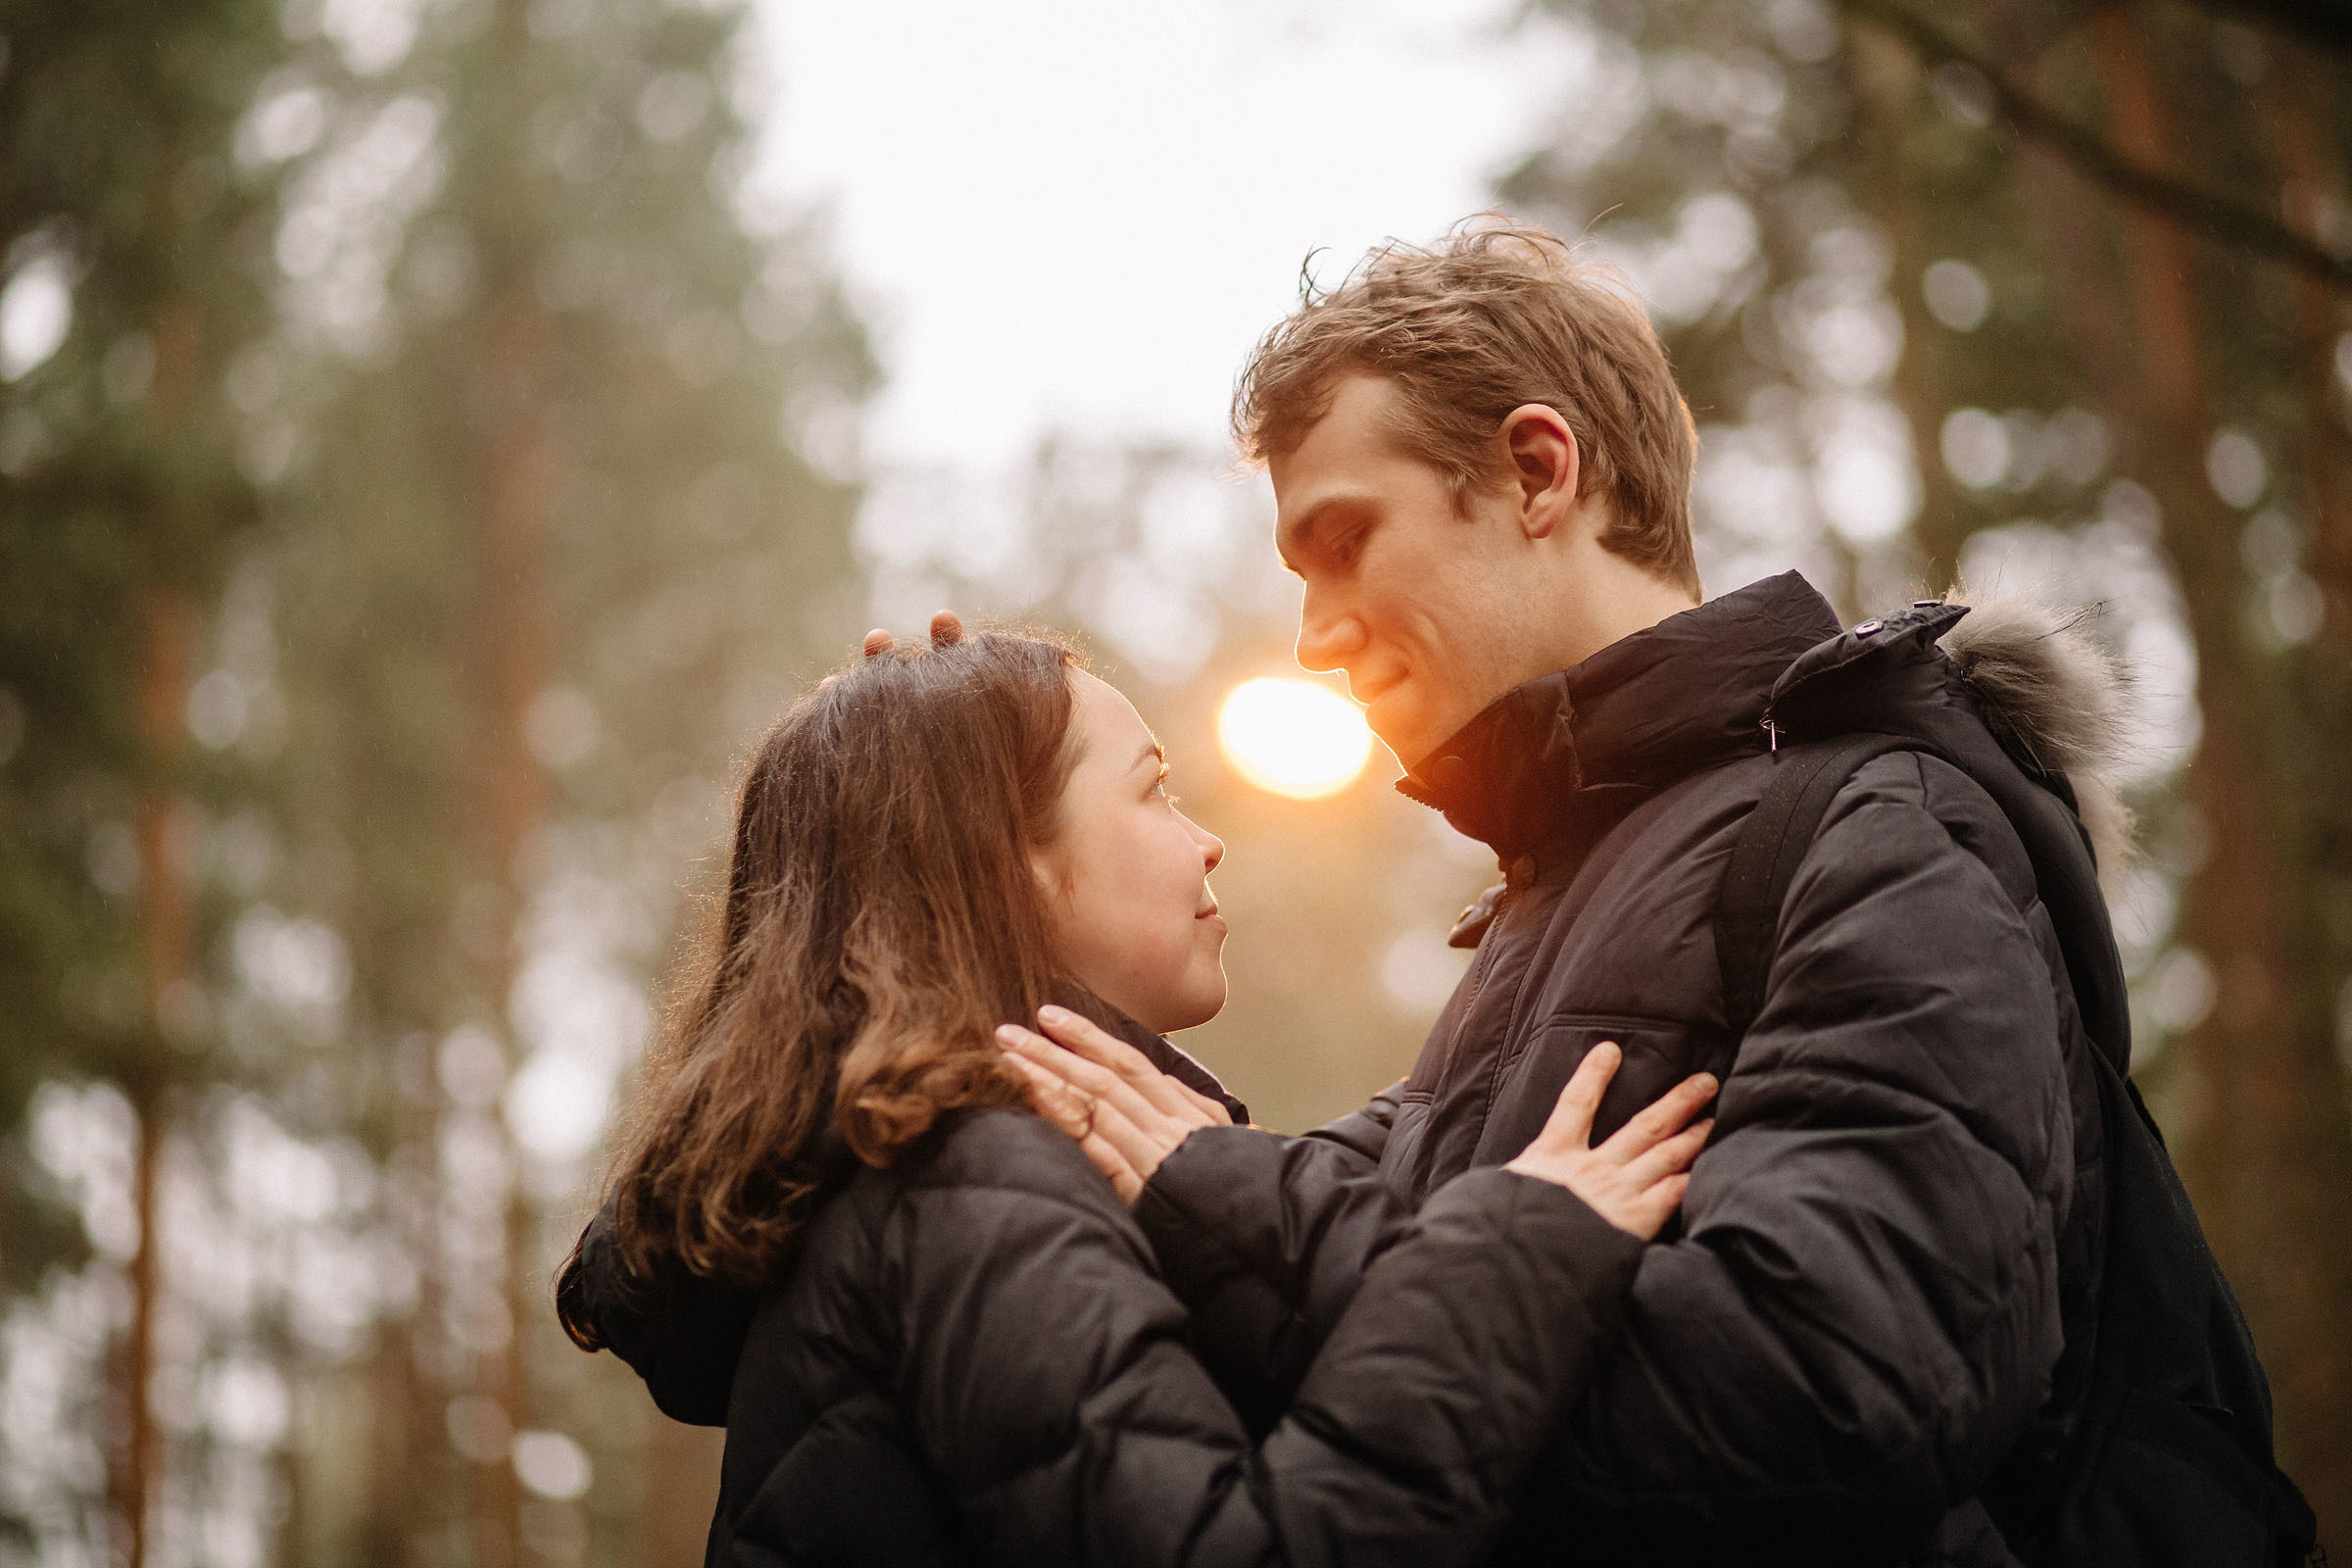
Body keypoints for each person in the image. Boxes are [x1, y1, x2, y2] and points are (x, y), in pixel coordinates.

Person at [1001, 220, 2158, 1566]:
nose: (1314, 637)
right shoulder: (1553, 903)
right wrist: (929, 790)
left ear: (1539, 471)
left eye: (1345, 540)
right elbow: (1228, 1208)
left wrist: (1250, 1208)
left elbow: (1832, 1395)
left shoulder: (1881, 832)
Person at [556, 619, 1720, 1566]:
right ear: (1005, 857)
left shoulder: (897, 1174)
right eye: (1155, 791)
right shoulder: (969, 1183)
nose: (1206, 843)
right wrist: (1508, 1273)